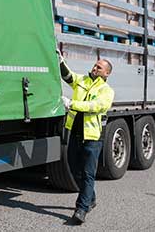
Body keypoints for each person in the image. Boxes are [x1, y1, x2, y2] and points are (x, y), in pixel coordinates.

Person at [58, 48, 115, 226]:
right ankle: (90, 198)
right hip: (74, 134)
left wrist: (72, 104)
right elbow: (68, 76)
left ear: (107, 73)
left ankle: (81, 210)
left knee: (88, 173)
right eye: (95, 65)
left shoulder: (107, 91)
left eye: (99, 67)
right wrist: (60, 62)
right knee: (75, 170)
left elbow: (96, 106)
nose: (95, 68)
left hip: (92, 137)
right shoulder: (81, 80)